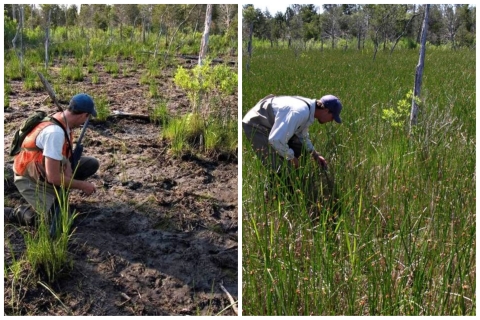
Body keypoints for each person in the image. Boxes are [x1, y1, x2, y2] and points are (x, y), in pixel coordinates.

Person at [5, 93, 100, 227]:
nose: (85, 122)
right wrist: (83, 185)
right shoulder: (55, 133)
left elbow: (63, 153)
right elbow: (53, 178)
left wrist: (67, 166)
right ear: (83, 115)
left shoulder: (63, 120)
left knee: (90, 164)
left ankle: (56, 193)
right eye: (87, 117)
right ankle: (15, 213)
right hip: (29, 178)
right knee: (54, 221)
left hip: (44, 168)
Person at [242, 94, 342, 195]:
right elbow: (276, 140)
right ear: (326, 111)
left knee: (299, 148)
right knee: (282, 167)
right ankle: (272, 197)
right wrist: (292, 159)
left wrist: (315, 155)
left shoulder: (309, 110)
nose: (331, 121)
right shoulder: (300, 112)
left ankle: (289, 188)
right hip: (257, 125)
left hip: (270, 124)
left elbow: (302, 136)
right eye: (333, 117)